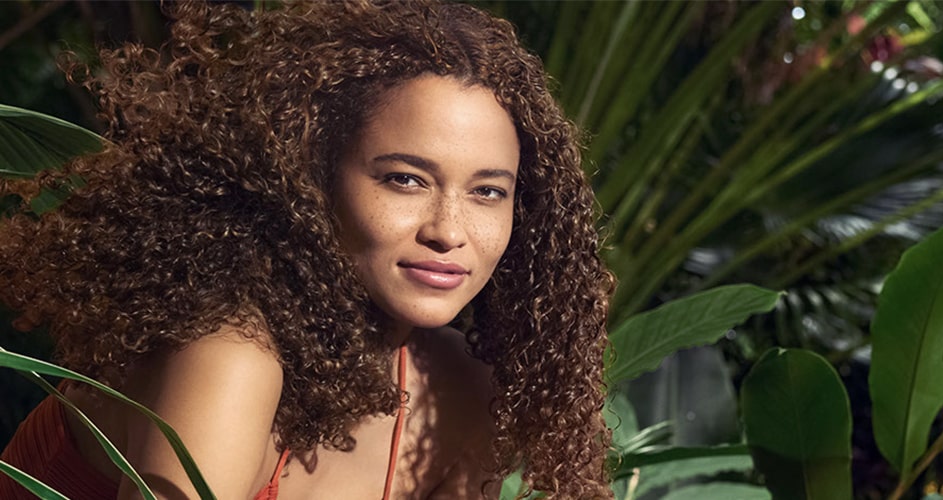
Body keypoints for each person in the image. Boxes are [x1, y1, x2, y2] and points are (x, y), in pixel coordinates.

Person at [0, 1, 613, 498]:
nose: (449, 231)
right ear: (309, 180)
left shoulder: (461, 392)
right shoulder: (228, 356)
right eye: (405, 179)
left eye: (487, 191)